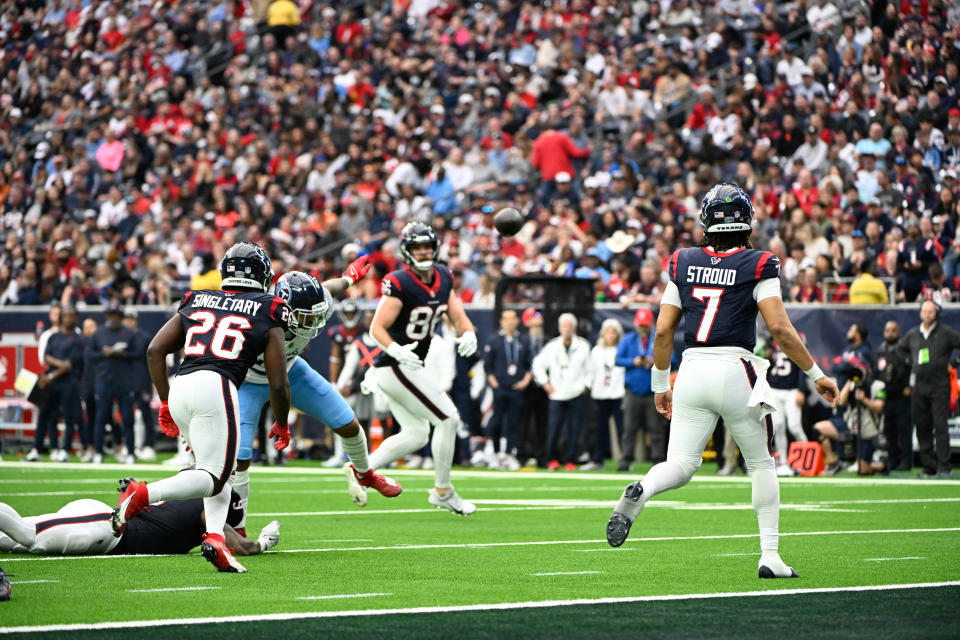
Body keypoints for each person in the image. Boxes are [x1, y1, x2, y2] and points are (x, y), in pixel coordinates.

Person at [606, 183, 839, 579]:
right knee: (762, 464)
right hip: (737, 369)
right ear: (746, 222)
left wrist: (661, 383)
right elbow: (780, 329)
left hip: (693, 368)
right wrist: (816, 374)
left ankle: (643, 490)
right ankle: (770, 555)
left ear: (706, 220)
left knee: (679, 464)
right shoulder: (759, 262)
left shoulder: (683, 261)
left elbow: (663, 332)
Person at [112, 242, 293, 573]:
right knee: (215, 474)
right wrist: (281, 423)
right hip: (217, 385)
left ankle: (215, 539)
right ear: (263, 276)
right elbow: (279, 384)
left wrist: (166, 401)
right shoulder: (271, 306)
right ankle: (142, 493)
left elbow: (155, 351)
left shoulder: (197, 297)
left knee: (223, 475)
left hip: (182, 382)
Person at [235, 266, 401, 532]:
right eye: (305, 317)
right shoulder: (260, 319)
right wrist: (281, 423)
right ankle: (237, 527)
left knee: (348, 423)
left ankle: (365, 473)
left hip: (290, 370)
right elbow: (277, 387)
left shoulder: (311, 304)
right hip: (247, 382)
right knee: (240, 459)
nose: (313, 323)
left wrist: (350, 277)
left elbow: (329, 289)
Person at [366, 222, 480, 515]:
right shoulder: (399, 281)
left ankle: (361, 469)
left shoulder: (443, 276)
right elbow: (376, 327)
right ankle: (442, 491)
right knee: (448, 418)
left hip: (409, 366)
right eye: (417, 247)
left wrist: (468, 334)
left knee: (416, 434)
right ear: (407, 250)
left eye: (427, 246)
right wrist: (394, 349)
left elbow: (458, 316)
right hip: (396, 365)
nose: (424, 251)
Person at [0, 484, 279, 557]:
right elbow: (235, 544)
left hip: (105, 529)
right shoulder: (206, 510)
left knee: (12, 543)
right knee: (27, 534)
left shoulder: (179, 497)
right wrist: (261, 545)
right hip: (105, 528)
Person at [896, 301, 960, 479]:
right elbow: (900, 350)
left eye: (931, 311)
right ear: (920, 313)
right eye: (924, 311)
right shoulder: (914, 334)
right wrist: (911, 363)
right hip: (919, 387)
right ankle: (929, 467)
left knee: (940, 426)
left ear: (936, 313)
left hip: (940, 386)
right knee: (922, 427)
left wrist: (954, 363)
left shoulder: (945, 332)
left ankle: (945, 467)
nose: (927, 314)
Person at [532, 313, 594, 471]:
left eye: (569, 325)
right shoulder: (552, 346)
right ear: (560, 328)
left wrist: (586, 386)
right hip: (557, 394)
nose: (567, 328)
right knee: (554, 428)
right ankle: (551, 459)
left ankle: (571, 459)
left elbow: (591, 369)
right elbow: (537, 365)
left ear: (574, 328)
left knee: (574, 428)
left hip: (576, 393)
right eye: (564, 325)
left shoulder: (583, 346)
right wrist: (545, 383)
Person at [813, 356, 885, 475]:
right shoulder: (852, 383)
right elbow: (841, 402)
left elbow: (879, 407)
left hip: (869, 431)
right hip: (851, 426)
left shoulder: (877, 385)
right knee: (818, 430)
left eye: (860, 370)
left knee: (863, 470)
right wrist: (850, 380)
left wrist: (864, 400)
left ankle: (881, 465)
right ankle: (834, 463)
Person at [615, 308, 667, 471]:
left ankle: (658, 461)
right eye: (641, 325)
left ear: (650, 324)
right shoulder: (629, 339)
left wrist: (655, 361)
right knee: (629, 429)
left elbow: (672, 358)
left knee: (655, 429)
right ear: (636, 324)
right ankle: (625, 460)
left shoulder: (658, 339)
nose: (643, 328)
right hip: (633, 391)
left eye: (645, 325)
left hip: (653, 391)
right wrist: (634, 361)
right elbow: (617, 359)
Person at [85, 303, 137, 464]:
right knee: (101, 417)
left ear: (120, 316)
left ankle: (130, 452)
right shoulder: (98, 334)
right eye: (111, 314)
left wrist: (123, 353)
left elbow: (138, 354)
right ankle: (98, 452)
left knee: (127, 418)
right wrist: (104, 352)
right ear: (106, 316)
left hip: (124, 381)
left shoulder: (129, 333)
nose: (113, 318)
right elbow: (89, 354)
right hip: (104, 380)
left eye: (116, 315)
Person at [481, 309, 532, 470]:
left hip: (516, 388)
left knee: (513, 423)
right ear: (502, 321)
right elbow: (487, 366)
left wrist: (525, 381)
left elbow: (530, 365)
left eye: (512, 319)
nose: (509, 322)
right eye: (506, 319)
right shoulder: (494, 340)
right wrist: (494, 383)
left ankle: (509, 454)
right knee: (496, 422)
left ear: (517, 321)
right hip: (500, 388)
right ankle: (496, 454)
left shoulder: (523, 340)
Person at [324, 298, 365, 467]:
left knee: (363, 421)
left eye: (352, 313)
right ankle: (339, 454)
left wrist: (354, 383)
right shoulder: (336, 332)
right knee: (339, 419)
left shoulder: (363, 332)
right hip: (342, 382)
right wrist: (334, 382)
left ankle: (363, 456)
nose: (349, 316)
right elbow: (335, 358)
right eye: (347, 313)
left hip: (361, 381)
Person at [584, 318, 625, 471]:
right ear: (603, 333)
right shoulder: (596, 351)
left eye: (614, 332)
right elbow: (590, 371)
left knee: (622, 429)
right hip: (600, 394)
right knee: (600, 429)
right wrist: (588, 386)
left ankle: (624, 460)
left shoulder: (622, 350)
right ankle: (598, 459)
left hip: (618, 394)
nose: (611, 335)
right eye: (608, 332)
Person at [765, 340, 808, 476]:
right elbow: (768, 366)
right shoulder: (772, 344)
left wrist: (801, 390)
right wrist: (768, 356)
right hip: (775, 389)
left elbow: (803, 367)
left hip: (791, 390)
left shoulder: (796, 343)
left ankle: (806, 458)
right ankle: (783, 462)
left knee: (794, 426)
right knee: (778, 425)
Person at [876, 321, 913, 472]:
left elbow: (913, 368)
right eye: (887, 330)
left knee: (903, 430)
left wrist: (910, 386)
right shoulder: (881, 351)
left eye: (893, 331)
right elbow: (876, 371)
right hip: (886, 395)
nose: (890, 333)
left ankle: (906, 461)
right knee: (889, 430)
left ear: (898, 332)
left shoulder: (904, 349)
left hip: (901, 394)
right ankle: (892, 460)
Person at [122, 308, 157, 462]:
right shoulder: (120, 336)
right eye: (126, 319)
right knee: (126, 415)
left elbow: (151, 360)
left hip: (142, 380)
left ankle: (149, 445)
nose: (128, 322)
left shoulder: (144, 337)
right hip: (125, 382)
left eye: (131, 319)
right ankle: (131, 445)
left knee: (145, 415)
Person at [517, 308, 548, 465]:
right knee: (524, 421)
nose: (538, 318)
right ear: (526, 322)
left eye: (539, 316)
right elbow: (521, 362)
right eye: (534, 316)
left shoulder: (548, 339)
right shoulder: (522, 340)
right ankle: (522, 454)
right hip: (527, 385)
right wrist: (526, 377)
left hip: (544, 386)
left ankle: (541, 455)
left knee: (543, 421)